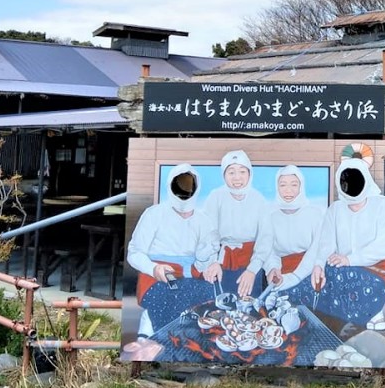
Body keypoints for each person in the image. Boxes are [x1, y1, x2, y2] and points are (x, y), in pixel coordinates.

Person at [277, 158, 385, 332]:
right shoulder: (335, 209)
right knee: (314, 281)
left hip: (378, 272)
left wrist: (350, 259)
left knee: (361, 285)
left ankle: (372, 312)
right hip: (340, 269)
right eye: (345, 181)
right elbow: (325, 243)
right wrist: (319, 265)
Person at [123, 163, 218, 354]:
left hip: (191, 274)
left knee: (209, 298)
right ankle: (156, 342)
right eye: (180, 185)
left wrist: (212, 264)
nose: (185, 190)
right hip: (157, 276)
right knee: (168, 296)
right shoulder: (154, 214)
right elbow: (134, 252)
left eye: (189, 185)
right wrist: (154, 268)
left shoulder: (204, 220)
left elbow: (207, 255)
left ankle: (197, 348)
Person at [236, 165, 324, 298]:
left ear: (301, 187)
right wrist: (272, 269)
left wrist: (296, 276)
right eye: (283, 185)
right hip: (281, 278)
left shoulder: (316, 215)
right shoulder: (270, 217)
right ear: (277, 188)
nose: (288, 190)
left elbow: (316, 250)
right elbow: (268, 249)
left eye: (294, 185)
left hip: (309, 274)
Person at [201, 149, 268, 297]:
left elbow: (265, 240)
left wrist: (252, 270)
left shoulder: (259, 200)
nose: (237, 177)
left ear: (249, 173)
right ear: (224, 175)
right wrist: (213, 262)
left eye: (242, 172)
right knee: (219, 306)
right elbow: (208, 234)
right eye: (231, 172)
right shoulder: (215, 197)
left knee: (250, 307)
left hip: (251, 263)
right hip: (221, 261)